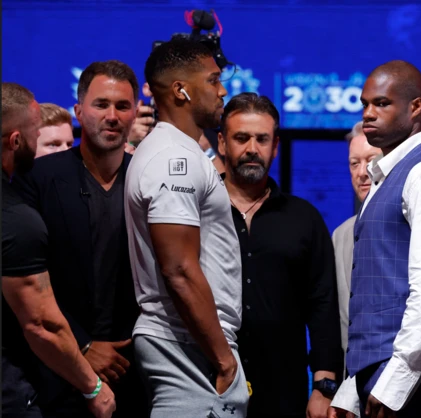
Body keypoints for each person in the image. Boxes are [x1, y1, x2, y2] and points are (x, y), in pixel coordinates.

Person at [329, 60, 421, 418]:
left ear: (415, 107)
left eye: (381, 103)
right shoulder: (385, 178)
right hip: (376, 379)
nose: (369, 113)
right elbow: (373, 296)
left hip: (411, 384)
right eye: (365, 104)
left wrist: (395, 383)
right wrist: (351, 390)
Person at [12, 61, 145, 417]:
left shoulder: (151, 178)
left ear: (135, 113)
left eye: (122, 106)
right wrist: (83, 344)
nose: (112, 116)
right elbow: (24, 279)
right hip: (53, 372)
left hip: (138, 370)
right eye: (101, 104)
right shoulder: (36, 177)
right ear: (78, 110)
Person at [125, 38, 249, 418]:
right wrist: (224, 360)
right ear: (181, 90)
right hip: (186, 342)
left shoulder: (179, 150)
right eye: (213, 80)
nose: (223, 90)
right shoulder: (173, 158)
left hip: (191, 340)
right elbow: (178, 269)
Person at [218, 92, 343, 418]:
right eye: (241, 138)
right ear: (222, 143)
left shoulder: (304, 219)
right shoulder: (197, 211)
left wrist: (324, 386)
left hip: (282, 392)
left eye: (262, 139)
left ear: (275, 146)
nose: (251, 149)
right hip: (205, 383)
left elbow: (323, 305)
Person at [2, 82, 116, 418]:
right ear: (16, 141)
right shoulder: (16, 219)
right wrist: (92, 386)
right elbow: (42, 325)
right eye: (39, 134)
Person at [333, 121, 382, 364]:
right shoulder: (341, 235)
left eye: (371, 160)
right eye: (355, 163)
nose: (362, 172)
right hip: (351, 381)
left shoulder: (419, 224)